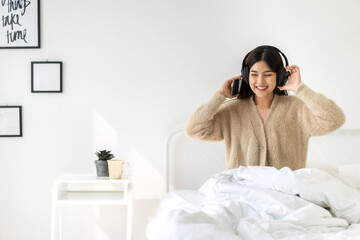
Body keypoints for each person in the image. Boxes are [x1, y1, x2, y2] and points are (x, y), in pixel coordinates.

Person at [185, 45, 345, 170]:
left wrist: (299, 89)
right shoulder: (232, 111)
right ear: (247, 76)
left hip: (285, 197)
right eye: (254, 74)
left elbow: (334, 119)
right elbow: (194, 130)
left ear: (280, 76)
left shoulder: (297, 109)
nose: (260, 81)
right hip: (240, 196)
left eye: (268, 75)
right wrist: (220, 95)